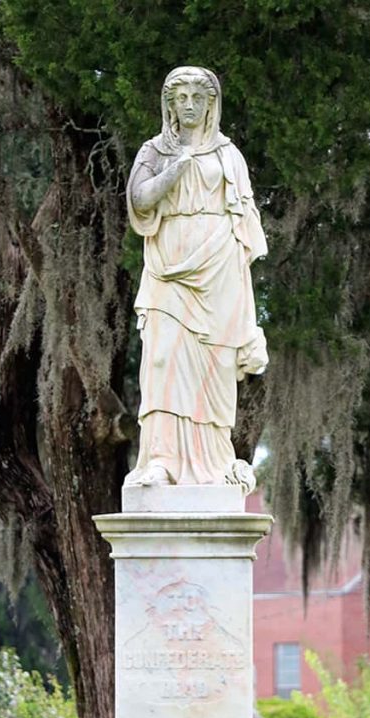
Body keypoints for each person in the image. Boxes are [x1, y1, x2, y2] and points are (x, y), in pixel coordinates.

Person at [125, 65, 268, 487]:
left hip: (219, 267)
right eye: (180, 98)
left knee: (213, 367)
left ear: (211, 104)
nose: (188, 105)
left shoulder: (229, 155)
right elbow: (139, 197)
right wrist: (174, 170)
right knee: (162, 358)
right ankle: (161, 459)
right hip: (168, 266)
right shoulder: (155, 150)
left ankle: (214, 460)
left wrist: (247, 314)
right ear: (169, 104)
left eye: (197, 98)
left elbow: (245, 229)